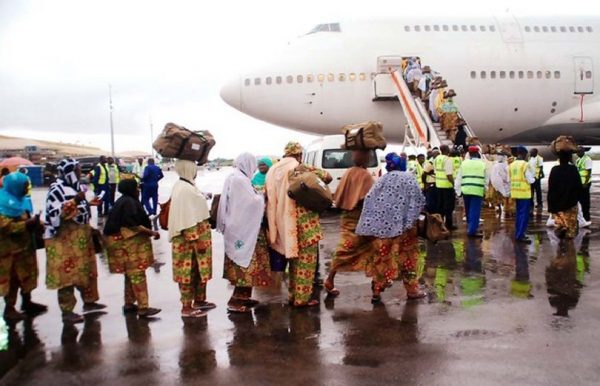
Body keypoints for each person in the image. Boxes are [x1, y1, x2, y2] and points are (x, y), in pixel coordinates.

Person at [266, 142, 332, 307]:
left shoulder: (272, 170)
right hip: (304, 221)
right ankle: (301, 299)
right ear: (299, 154)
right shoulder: (300, 167)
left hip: (282, 222)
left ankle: (293, 295)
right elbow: (327, 176)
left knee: (292, 259)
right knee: (305, 261)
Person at [355, 157, 426, 303]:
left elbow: (369, 199)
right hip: (403, 227)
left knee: (383, 257)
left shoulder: (382, 179)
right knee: (408, 259)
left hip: (381, 227)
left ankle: (377, 289)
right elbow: (418, 200)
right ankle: (412, 290)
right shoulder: (408, 178)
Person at [44, 158, 106, 324]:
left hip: (80, 238)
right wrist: (76, 201)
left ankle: (89, 301)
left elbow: (78, 208)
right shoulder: (56, 188)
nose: (80, 173)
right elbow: (55, 214)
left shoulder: (76, 187)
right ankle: (67, 311)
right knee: (67, 275)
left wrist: (88, 203)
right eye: (77, 170)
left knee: (86, 271)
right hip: (64, 241)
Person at [217, 153, 271, 313]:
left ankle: (244, 297)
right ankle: (235, 300)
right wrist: (263, 196)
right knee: (245, 265)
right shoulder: (240, 180)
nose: (255, 168)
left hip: (240, 228)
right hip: (245, 231)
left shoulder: (235, 177)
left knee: (248, 264)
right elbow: (252, 202)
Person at [103, 179, 162, 318]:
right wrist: (152, 232)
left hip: (117, 244)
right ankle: (143, 307)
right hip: (127, 245)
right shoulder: (129, 203)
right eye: (136, 187)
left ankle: (129, 304)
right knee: (137, 274)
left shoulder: (122, 201)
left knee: (129, 274)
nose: (138, 190)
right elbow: (133, 225)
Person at [168, 160, 215, 318]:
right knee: (187, 273)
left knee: (200, 272)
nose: (195, 171)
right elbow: (186, 218)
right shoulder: (184, 189)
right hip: (189, 242)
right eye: (194, 168)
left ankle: (200, 301)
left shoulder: (187, 185)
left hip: (199, 237)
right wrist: (197, 239)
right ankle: (186, 307)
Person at [324, 150, 375, 296]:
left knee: (348, 248)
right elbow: (368, 197)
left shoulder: (349, 172)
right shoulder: (364, 175)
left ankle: (376, 282)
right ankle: (376, 284)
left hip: (347, 215)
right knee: (368, 248)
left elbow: (340, 193)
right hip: (360, 217)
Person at [0, 172, 47, 321]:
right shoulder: (2, 202)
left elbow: (27, 216)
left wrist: (38, 223)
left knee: (27, 275)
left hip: (26, 247)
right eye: (24, 186)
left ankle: (27, 302)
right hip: (9, 250)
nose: (26, 188)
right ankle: (9, 308)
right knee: (13, 279)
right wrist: (25, 225)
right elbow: (4, 226)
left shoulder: (21, 201)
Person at [548, 150, 583, 239]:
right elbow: (578, 185)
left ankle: (562, 229)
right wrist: (578, 197)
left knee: (560, 223)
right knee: (571, 229)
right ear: (569, 159)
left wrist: (551, 203)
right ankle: (569, 245)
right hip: (570, 202)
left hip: (557, 203)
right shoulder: (573, 169)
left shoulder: (554, 170)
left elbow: (551, 186)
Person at [456, 147, 488, 238]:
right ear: (478, 154)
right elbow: (486, 179)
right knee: (475, 211)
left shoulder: (464, 163)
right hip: (477, 190)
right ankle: (472, 231)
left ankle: (471, 227)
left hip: (466, 189)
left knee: (468, 210)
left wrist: (458, 191)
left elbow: (459, 178)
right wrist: (485, 190)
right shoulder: (482, 164)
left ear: (469, 154)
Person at [509, 146, 535, 243]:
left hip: (515, 192)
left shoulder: (512, 164)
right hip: (524, 193)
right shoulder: (525, 165)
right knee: (524, 215)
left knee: (519, 214)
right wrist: (534, 179)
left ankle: (518, 233)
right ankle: (520, 235)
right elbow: (530, 179)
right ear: (524, 154)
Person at [434, 145, 456, 230]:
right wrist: (454, 183)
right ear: (447, 150)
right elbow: (449, 174)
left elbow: (436, 172)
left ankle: (440, 224)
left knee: (440, 206)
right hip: (447, 186)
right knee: (449, 206)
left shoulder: (436, 159)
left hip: (439, 185)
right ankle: (449, 225)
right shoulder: (448, 159)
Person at [575, 146, 593, 225]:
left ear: (583, 151)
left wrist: (585, 183)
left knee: (585, 202)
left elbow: (588, 171)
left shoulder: (587, 159)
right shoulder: (578, 159)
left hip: (585, 183)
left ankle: (587, 218)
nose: (578, 153)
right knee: (580, 201)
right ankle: (581, 219)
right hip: (580, 183)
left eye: (579, 151)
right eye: (577, 152)